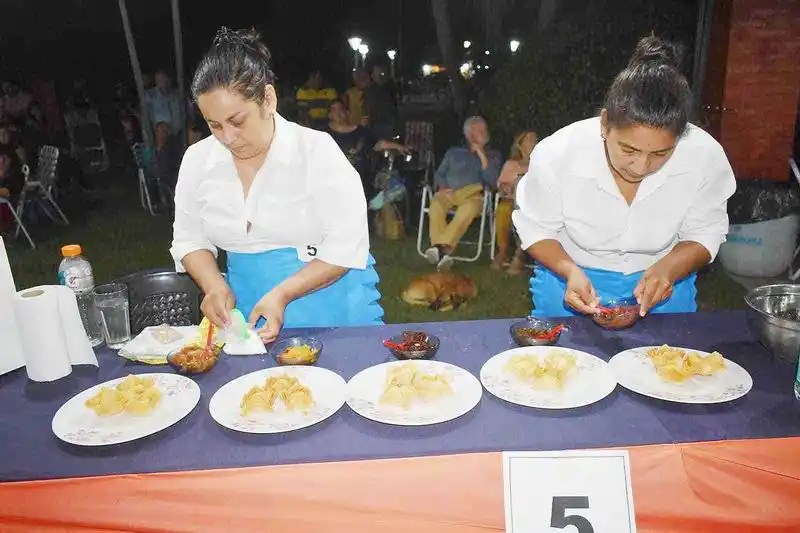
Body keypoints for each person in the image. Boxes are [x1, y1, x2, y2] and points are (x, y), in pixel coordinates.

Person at [170, 28, 383, 343]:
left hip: (334, 310)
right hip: (249, 316)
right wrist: (214, 285)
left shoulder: (315, 151)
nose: (227, 137)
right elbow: (189, 239)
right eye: (214, 125)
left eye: (237, 121)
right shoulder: (198, 160)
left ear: (268, 99)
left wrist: (283, 294)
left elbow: (345, 246)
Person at [509, 36, 736, 318]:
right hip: (568, 278)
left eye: (661, 153)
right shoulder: (558, 154)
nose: (641, 167)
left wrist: (669, 269)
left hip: (664, 285)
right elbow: (537, 229)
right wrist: (568, 270)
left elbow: (705, 232)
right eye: (628, 149)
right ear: (605, 123)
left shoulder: (704, 156)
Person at [423, 116, 502, 271]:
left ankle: (439, 248)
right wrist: (442, 186)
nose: (484, 133)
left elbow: (492, 181)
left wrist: (482, 156)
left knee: (467, 210)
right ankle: (444, 252)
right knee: (436, 206)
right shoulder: (454, 153)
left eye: (484, 130)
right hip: (449, 193)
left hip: (473, 195)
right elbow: (439, 174)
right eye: (479, 131)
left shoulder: (493, 155)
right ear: (469, 135)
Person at [326, 99, 407, 201]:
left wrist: (398, 146)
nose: (338, 113)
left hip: (360, 181)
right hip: (332, 182)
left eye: (341, 109)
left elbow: (377, 144)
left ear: (347, 112)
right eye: (334, 110)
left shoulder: (361, 131)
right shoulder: (322, 134)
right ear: (329, 114)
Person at [493, 131, 537, 274]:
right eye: (529, 140)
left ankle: (519, 254)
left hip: (533, 205)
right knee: (503, 210)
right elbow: (500, 186)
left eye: (535, 140)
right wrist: (505, 186)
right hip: (511, 200)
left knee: (526, 216)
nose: (534, 142)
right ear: (520, 145)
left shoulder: (541, 164)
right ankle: (503, 251)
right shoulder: (511, 164)